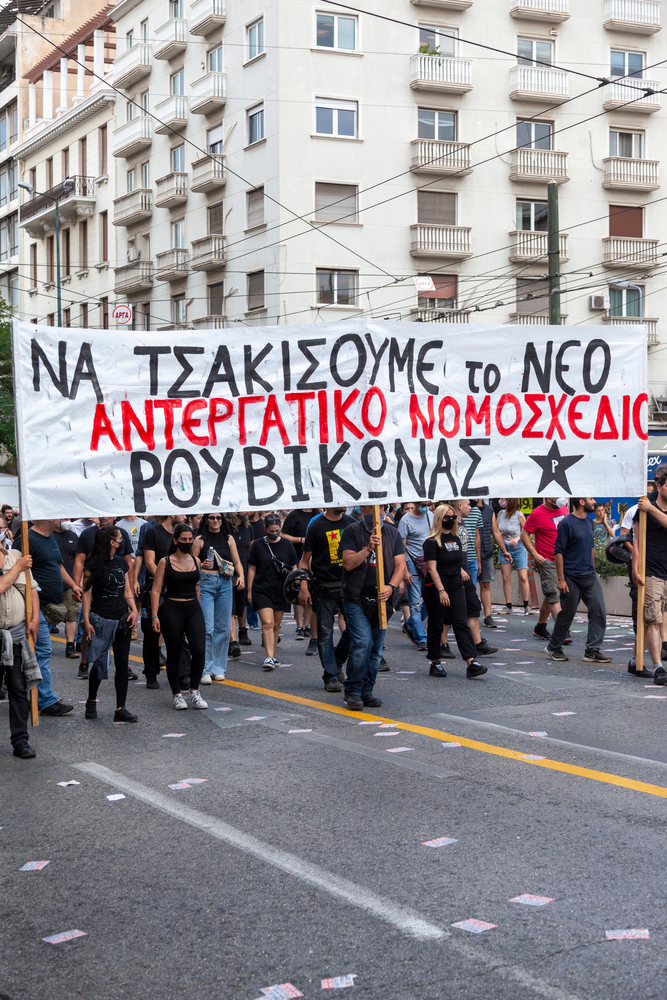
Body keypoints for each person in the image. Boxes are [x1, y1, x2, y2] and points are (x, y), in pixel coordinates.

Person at [340, 505, 406, 710]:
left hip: (382, 601)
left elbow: (400, 565)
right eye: (376, 506)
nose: (380, 510)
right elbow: (348, 563)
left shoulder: (393, 533)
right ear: (365, 508)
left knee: (376, 650)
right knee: (362, 643)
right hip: (357, 597)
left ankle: (366, 690)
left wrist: (391, 586)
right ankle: (352, 690)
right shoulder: (352, 531)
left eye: (383, 506)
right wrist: (368, 549)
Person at [13, 520, 78, 716]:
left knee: (37, 653)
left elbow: (57, 566)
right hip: (34, 606)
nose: (62, 519)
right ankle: (45, 700)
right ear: (47, 518)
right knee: (41, 651)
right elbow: (17, 570)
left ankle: (32, 696)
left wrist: (73, 585)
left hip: (48, 607)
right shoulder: (25, 540)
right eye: (57, 514)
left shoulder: (50, 539)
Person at [81, 526, 138, 723]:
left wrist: (134, 610)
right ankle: (91, 701)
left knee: (122, 663)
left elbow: (127, 589)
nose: (122, 541)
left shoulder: (122, 563)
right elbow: (86, 593)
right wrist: (87, 619)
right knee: (99, 662)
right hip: (101, 619)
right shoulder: (92, 565)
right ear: (111, 542)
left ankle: (120, 708)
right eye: (119, 538)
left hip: (122, 619)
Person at [422, 505, 486, 679]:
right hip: (436, 586)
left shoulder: (455, 539)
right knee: (436, 624)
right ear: (439, 518)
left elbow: (456, 561)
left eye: (453, 516)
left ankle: (471, 662)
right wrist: (441, 590)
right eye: (447, 517)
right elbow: (432, 569)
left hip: (456, 584)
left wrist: (461, 571)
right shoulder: (431, 542)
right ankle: (435, 662)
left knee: (460, 622)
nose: (451, 519)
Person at [151, 522, 208, 710]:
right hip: (172, 609)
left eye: (190, 539)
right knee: (174, 653)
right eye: (183, 539)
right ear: (175, 540)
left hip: (193, 609)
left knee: (199, 649)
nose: (187, 542)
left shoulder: (196, 561)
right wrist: (154, 616)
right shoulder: (165, 562)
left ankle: (194, 690)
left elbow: (197, 586)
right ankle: (176, 694)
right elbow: (156, 590)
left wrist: (197, 606)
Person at [546, 498, 610, 663]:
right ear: (581, 502)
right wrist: (561, 579)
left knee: (599, 611)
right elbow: (558, 551)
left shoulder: (589, 521)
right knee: (567, 613)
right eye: (590, 499)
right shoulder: (566, 522)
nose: (594, 502)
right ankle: (554, 646)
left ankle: (592, 650)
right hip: (571, 576)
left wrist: (593, 569)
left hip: (589, 575)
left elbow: (591, 548)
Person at [298, 506, 355, 692]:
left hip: (349, 587)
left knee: (355, 629)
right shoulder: (316, 526)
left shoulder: (351, 524)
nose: (344, 505)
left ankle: (336, 661)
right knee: (325, 634)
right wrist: (304, 587)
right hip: (323, 588)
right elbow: (305, 560)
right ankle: (330, 675)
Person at [441, 500, 498, 660]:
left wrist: (475, 562)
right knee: (447, 610)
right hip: (451, 573)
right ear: (460, 506)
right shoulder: (449, 526)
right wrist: (458, 569)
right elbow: (445, 548)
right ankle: (442, 644)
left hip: (465, 571)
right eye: (468, 505)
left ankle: (477, 643)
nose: (471, 507)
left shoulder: (464, 523)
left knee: (472, 605)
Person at [192, 513, 245, 682]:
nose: (216, 521)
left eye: (219, 518)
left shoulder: (228, 538)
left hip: (225, 582)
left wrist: (241, 576)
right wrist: (201, 564)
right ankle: (205, 669)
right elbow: (191, 563)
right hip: (206, 582)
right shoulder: (200, 539)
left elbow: (237, 561)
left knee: (222, 628)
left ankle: (218, 668)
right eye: (212, 518)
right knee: (207, 628)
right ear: (206, 520)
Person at [0, 547, 40, 757]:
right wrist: (18, 567)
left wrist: (34, 619)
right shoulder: (18, 562)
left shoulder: (15, 555)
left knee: (18, 688)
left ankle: (20, 741)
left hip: (14, 636)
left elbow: (31, 589)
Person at [247, 514, 296, 670]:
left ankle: (272, 656)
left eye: (277, 530)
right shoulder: (257, 545)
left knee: (276, 625)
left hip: (281, 589)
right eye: (271, 530)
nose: (274, 533)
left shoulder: (287, 544)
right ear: (265, 529)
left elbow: (293, 566)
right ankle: (268, 657)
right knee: (267, 623)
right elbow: (252, 568)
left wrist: (294, 583)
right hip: (261, 588)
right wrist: (249, 590)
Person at [133, 515, 177, 689]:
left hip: (177, 591)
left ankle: (182, 674)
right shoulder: (152, 532)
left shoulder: (184, 533)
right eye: (183, 513)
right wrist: (162, 580)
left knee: (177, 633)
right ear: (173, 514)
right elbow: (147, 560)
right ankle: (151, 673)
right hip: (153, 589)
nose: (186, 516)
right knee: (151, 632)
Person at [521, 498, 572, 643]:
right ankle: (563, 631)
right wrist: (535, 554)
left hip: (563, 559)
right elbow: (524, 535)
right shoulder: (537, 514)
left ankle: (540, 626)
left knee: (551, 593)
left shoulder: (564, 509)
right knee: (554, 595)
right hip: (547, 560)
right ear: (548, 497)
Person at [633, 474, 667, 683]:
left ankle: (634, 659)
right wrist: (636, 569)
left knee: (657, 620)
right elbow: (636, 541)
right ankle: (659, 668)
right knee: (653, 620)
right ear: (660, 487)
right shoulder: (643, 510)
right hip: (652, 572)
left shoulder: (649, 508)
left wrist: (651, 509)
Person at [397, 501, 432, 651]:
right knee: (415, 603)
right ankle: (421, 638)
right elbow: (400, 546)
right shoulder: (406, 520)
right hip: (412, 564)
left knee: (431, 599)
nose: (426, 507)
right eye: (423, 504)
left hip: (430, 563)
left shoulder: (431, 515)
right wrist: (404, 569)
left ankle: (410, 624)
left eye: (428, 504)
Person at [282, 508, 315, 639]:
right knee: (298, 590)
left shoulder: (317, 514)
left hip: (313, 558)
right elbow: (283, 535)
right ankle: (299, 626)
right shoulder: (294, 515)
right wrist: (302, 540)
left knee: (311, 592)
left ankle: (307, 625)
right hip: (296, 556)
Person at [496, 499, 532, 614]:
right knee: (506, 578)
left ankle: (526, 606)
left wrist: (516, 539)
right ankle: (508, 606)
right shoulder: (500, 514)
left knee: (523, 577)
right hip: (504, 548)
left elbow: (526, 531)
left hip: (518, 548)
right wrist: (500, 536)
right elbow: (496, 530)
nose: (502, 501)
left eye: (505, 499)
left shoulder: (519, 515)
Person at [52, 519, 80, 659]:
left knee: (72, 613)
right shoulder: (49, 535)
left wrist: (77, 582)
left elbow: (77, 561)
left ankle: (70, 645)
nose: (64, 521)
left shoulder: (72, 536)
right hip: (50, 583)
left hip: (69, 584)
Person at [227, 511, 253, 646]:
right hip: (228, 570)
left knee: (242, 602)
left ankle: (243, 631)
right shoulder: (226, 527)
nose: (247, 512)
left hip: (243, 568)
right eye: (244, 509)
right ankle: (233, 640)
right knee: (230, 605)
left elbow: (250, 548)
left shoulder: (248, 528)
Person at [476, 500, 498, 628]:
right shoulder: (467, 509)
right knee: (467, 586)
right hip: (470, 554)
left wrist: (504, 550)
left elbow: (495, 531)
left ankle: (488, 616)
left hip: (486, 552)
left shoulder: (489, 510)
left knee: (485, 585)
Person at [462, 500, 482, 587]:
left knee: (472, 589)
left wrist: (478, 560)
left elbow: (476, 535)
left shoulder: (477, 511)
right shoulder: (454, 513)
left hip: (472, 558)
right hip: (459, 558)